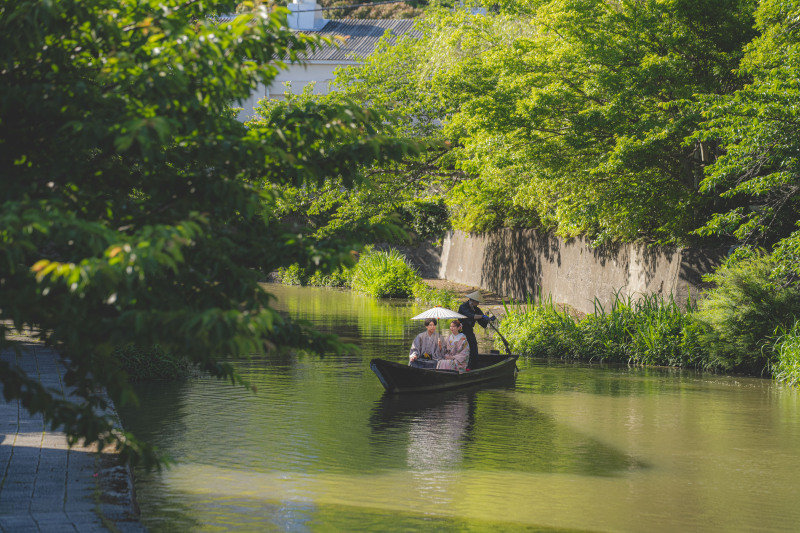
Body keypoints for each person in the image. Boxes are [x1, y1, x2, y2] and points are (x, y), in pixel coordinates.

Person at [457, 290, 496, 368]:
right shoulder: (463, 307)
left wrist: (488, 319)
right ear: (472, 300)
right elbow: (470, 315)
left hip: (469, 331)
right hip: (461, 331)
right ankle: (465, 366)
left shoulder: (476, 309)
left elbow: (483, 323)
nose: (478, 304)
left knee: (474, 349)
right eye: (477, 302)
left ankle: (473, 366)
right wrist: (482, 316)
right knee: (466, 349)